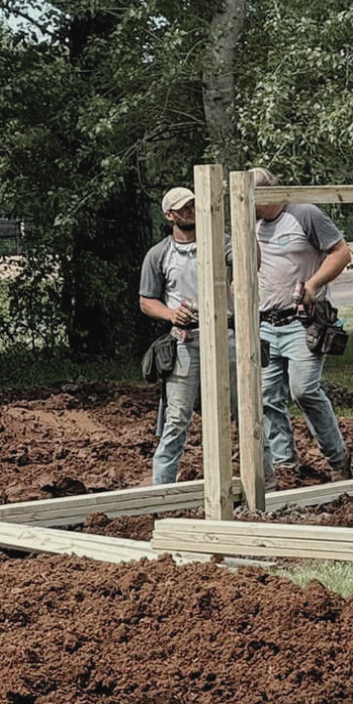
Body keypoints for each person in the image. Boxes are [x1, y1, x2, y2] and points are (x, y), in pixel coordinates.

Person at [250, 168, 352, 482]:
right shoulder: (252, 225)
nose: (251, 205)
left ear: (270, 192)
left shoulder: (305, 214)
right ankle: (285, 465)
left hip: (302, 322)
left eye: (254, 198)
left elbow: (341, 253)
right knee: (267, 397)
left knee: (304, 389)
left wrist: (312, 285)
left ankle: (338, 459)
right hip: (267, 323)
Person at [138, 187, 206, 486]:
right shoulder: (159, 254)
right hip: (185, 341)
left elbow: (250, 263)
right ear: (169, 216)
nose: (189, 211)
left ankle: (263, 483)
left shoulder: (219, 244)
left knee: (243, 413)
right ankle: (161, 489)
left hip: (228, 339)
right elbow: (146, 300)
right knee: (176, 418)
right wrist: (170, 314)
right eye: (183, 208)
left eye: (193, 205)